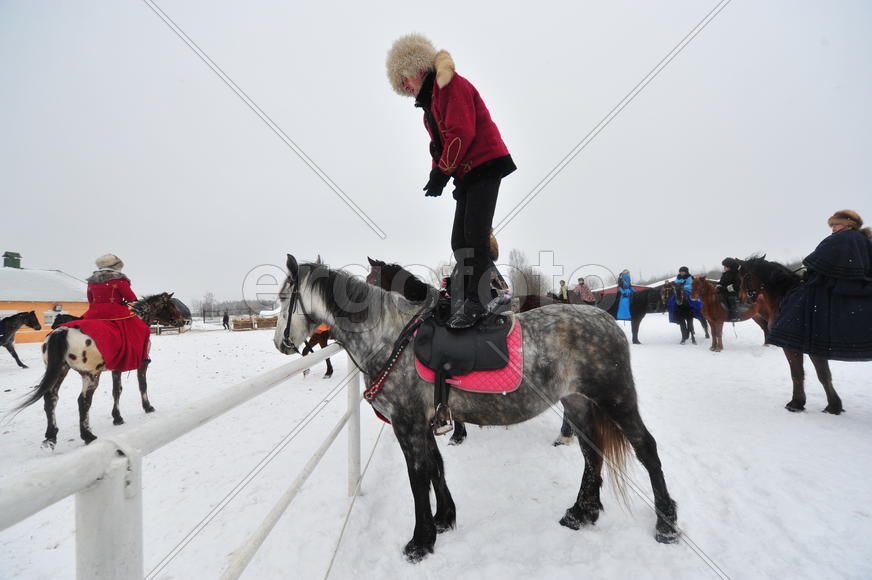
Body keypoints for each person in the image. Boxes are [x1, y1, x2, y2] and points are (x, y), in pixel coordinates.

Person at [386, 34, 516, 329]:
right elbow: (440, 145)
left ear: (416, 67)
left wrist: (442, 173)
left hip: (484, 164)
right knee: (460, 241)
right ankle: (489, 285)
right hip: (466, 172)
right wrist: (437, 172)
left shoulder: (450, 86)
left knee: (474, 235)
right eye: (400, 84)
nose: (404, 86)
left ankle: (479, 300)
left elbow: (460, 134)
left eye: (404, 79)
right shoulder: (429, 106)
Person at [768, 210, 872, 360]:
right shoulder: (861, 238)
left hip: (835, 285)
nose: (833, 228)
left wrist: (811, 274)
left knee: (796, 301)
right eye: (832, 225)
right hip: (856, 284)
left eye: (837, 224)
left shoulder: (840, 239)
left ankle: (798, 338)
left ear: (848, 224)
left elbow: (819, 264)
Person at [69, 254, 151, 371]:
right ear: (116, 266)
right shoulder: (120, 280)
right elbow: (131, 298)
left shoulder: (92, 281)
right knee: (141, 329)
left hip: (94, 313)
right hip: (116, 313)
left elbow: (90, 299)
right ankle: (141, 357)